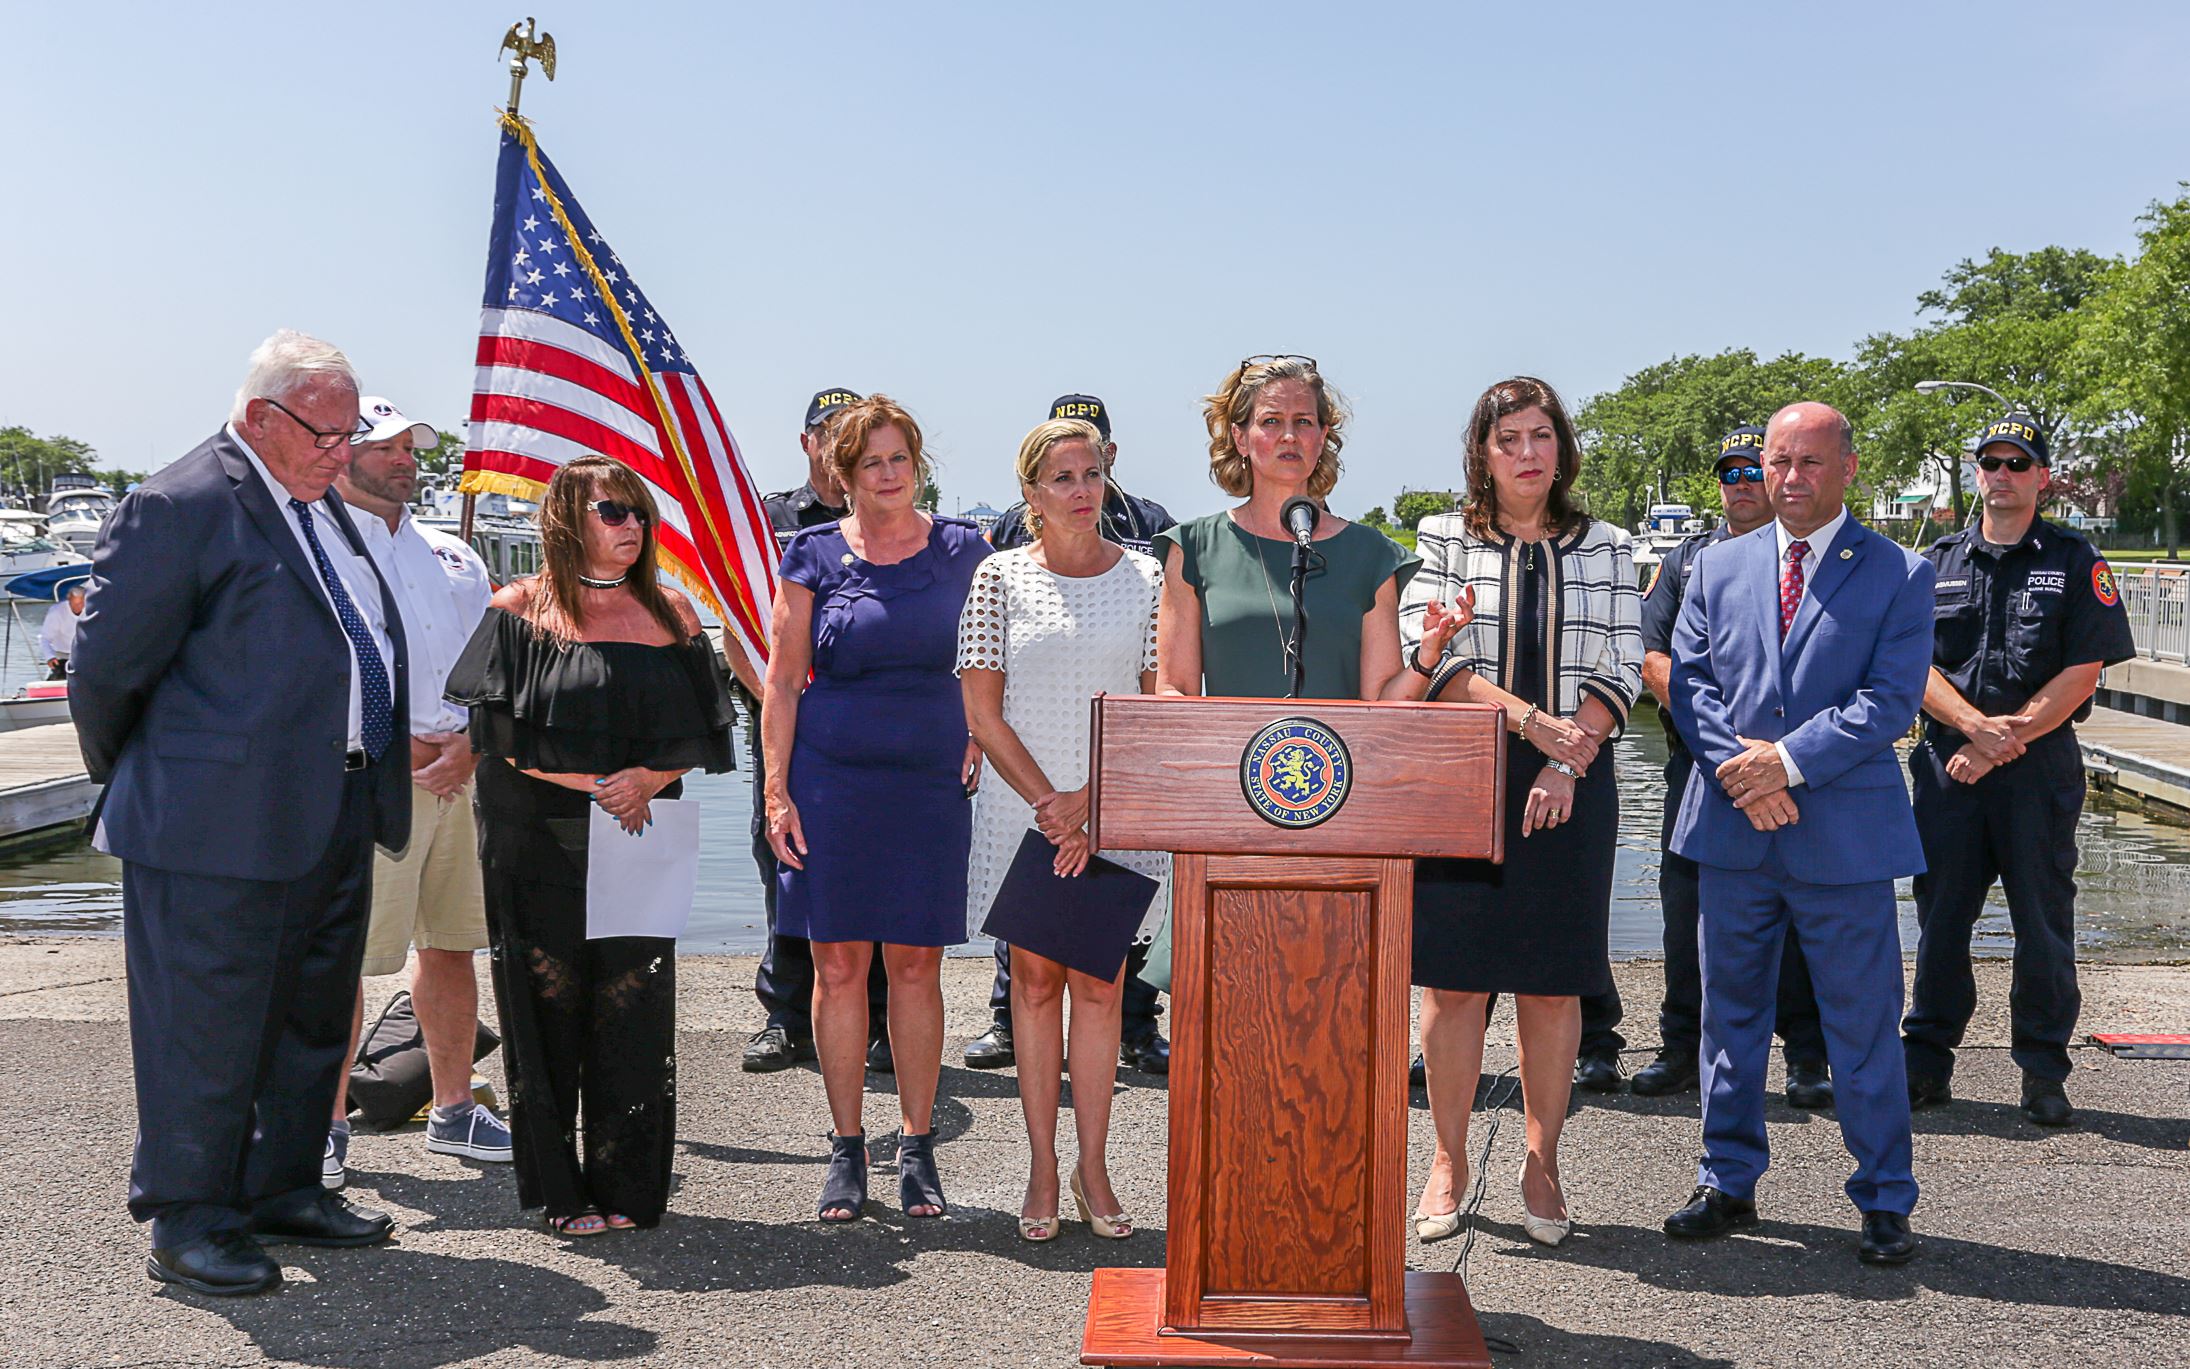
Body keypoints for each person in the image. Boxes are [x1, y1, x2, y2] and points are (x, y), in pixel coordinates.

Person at [72, 329, 409, 1295]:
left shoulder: (313, 505)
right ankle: (188, 1213)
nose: (344, 452)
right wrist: (165, 781)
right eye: (327, 433)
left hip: (330, 804)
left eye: (350, 434)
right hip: (209, 826)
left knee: (307, 1017)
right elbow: (107, 675)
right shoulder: (179, 505)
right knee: (204, 1028)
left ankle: (280, 1185)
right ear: (262, 417)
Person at [1664, 401, 1931, 1266]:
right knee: (1727, 1019)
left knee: (1862, 1026)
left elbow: (1889, 701)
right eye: (1779, 461)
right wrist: (1744, 777)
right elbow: (1692, 682)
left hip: (1842, 840)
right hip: (1736, 834)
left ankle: (1884, 1196)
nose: (1789, 478)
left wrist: (1783, 762)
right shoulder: (1716, 566)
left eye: (1810, 462)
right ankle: (1726, 1178)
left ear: (1849, 467)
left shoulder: (1898, 571)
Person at [444, 455, 736, 1237]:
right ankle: (560, 1191)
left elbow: (710, 727)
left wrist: (647, 777)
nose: (632, 526)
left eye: (639, 511)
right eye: (613, 512)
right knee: (548, 1010)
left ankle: (630, 1185)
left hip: (641, 834)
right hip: (536, 839)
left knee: (632, 1006)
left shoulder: (672, 611)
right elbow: (497, 732)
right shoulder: (518, 608)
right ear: (567, 521)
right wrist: (602, 785)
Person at [1401, 377, 1643, 1249]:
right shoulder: (1440, 536)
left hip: (1578, 770)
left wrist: (1566, 753)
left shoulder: (1609, 545)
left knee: (1551, 982)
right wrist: (1529, 725)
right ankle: (1447, 1159)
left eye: (1541, 436)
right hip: (1466, 772)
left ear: (1562, 446)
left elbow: (1623, 656)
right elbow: (1423, 655)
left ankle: (1543, 1159)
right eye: (1508, 439)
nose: (1527, 453)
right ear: (1483, 452)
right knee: (1454, 982)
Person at [764, 395, 991, 1221]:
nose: (889, 475)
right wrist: (775, 788)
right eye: (872, 463)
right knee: (836, 965)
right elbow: (783, 681)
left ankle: (917, 1145)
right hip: (832, 779)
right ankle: (846, 1147)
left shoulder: (968, 548)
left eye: (900, 459)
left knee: (916, 965)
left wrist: (979, 731)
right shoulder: (811, 553)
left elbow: (988, 657)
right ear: (843, 473)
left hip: (930, 780)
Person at [958, 417, 1168, 1242]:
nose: (1082, 491)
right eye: (1062, 478)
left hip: (1114, 809)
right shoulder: (997, 578)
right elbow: (981, 709)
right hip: (1025, 813)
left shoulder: (1148, 577)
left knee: (1103, 987)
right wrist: (1052, 803)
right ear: (1031, 495)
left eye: (1091, 474)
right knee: (1036, 986)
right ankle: (1043, 1164)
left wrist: (1091, 798)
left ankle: (1095, 1165)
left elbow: (1159, 701)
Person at [1902, 414, 2135, 1127]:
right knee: (1941, 921)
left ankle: (2042, 1070)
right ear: (1977, 473)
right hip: (1951, 771)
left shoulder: (2072, 559)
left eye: (2017, 463)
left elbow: (2083, 668)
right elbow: (1911, 665)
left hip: (2038, 772)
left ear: (2041, 476)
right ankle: (1928, 1061)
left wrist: (2006, 737)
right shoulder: (1933, 564)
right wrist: (1972, 728)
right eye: (1991, 463)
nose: (2001, 475)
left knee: (2043, 923)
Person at [321, 397, 507, 1188]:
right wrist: (387, 753)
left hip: (458, 782)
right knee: (344, 963)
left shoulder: (456, 557)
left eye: (410, 447)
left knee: (453, 944)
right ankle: (323, 1122)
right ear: (341, 453)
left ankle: (455, 1106)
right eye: (386, 447)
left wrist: (472, 744)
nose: (405, 459)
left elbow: (492, 666)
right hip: (368, 783)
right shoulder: (317, 546)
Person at [1631, 427, 1830, 1107]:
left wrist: (1773, 758)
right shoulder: (1689, 559)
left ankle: (1809, 1057)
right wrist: (1723, 746)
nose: (1743, 481)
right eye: (1730, 471)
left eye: (1755, 468)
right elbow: (1652, 654)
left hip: (1795, 769)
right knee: (1686, 916)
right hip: (1703, 769)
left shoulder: (1812, 556)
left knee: (1804, 919)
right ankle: (1681, 1049)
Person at [743, 387, 892, 1076]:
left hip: (869, 733)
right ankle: (783, 1016)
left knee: (878, 875)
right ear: (806, 441)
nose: (836, 443)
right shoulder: (766, 519)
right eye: (825, 431)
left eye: (847, 432)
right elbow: (738, 625)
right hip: (786, 725)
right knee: (786, 866)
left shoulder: (892, 523)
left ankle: (879, 1021)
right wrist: (784, 703)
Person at [1154, 355, 1449, 703]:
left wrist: (1426, 659)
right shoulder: (1193, 548)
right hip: (1225, 757)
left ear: (1322, 436)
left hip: (1344, 757)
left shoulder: (1371, 554)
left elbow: (1382, 704)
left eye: (1304, 422)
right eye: (1271, 421)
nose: (1289, 436)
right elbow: (1174, 693)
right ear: (1240, 438)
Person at [41, 585, 86, 681]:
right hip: (62, 657)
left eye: (82, 603)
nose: (79, 607)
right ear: (69, 599)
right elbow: (45, 638)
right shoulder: (56, 611)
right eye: (76, 604)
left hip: (86, 655)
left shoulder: (92, 609)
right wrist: (50, 657)